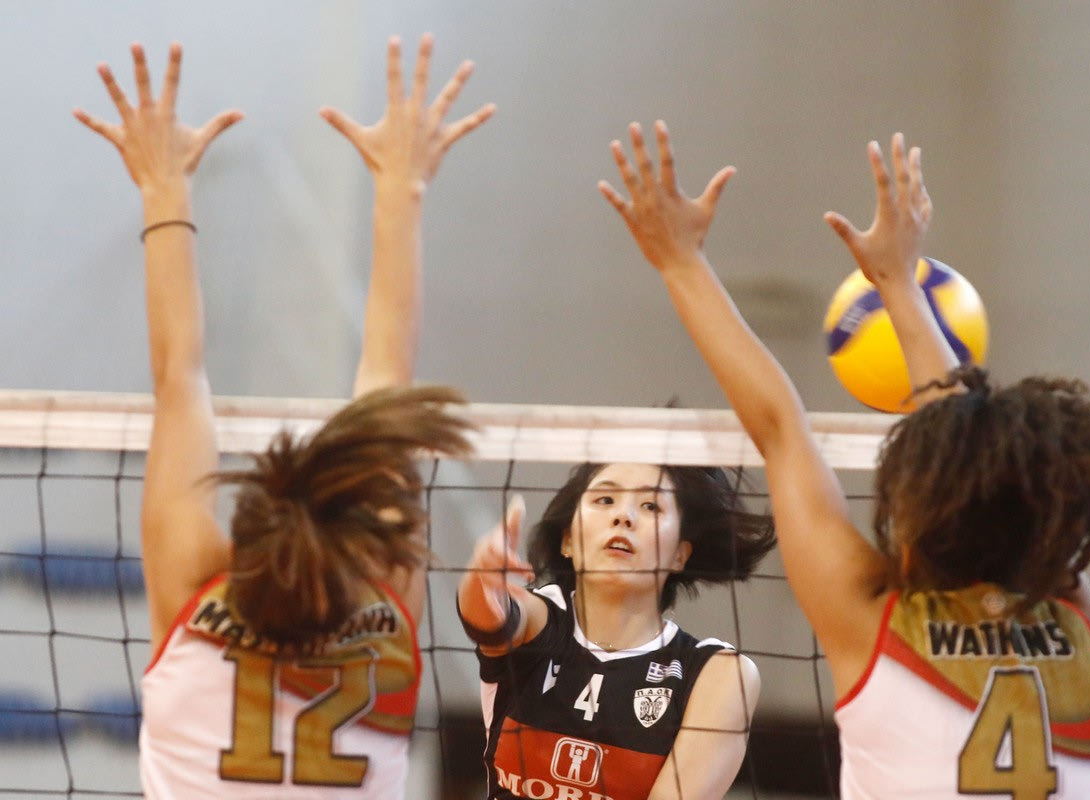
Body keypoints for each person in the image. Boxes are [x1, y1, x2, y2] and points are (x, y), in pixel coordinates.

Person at [598, 123, 1090, 799]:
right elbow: (975, 469)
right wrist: (900, 284)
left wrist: (680, 262)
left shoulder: (873, 626)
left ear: (926, 511)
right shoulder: (1080, 620)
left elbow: (781, 427)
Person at [75, 35, 493, 796]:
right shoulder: (383, 598)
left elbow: (179, 377)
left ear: (239, 542)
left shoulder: (199, 592)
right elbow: (382, 383)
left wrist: (163, 190)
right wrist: (402, 190)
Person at [457, 458, 775, 798]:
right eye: (605, 499)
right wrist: (481, 579)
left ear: (680, 555)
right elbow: (490, 618)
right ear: (568, 540)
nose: (624, 516)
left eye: (651, 505)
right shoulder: (540, 622)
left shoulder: (717, 674)